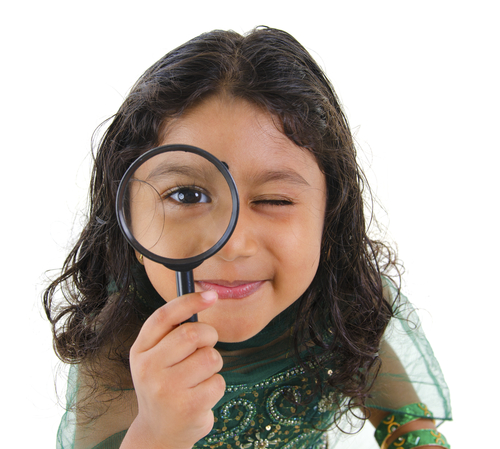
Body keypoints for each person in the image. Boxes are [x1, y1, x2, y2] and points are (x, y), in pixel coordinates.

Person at [43, 27, 452, 449]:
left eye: (275, 199)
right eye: (186, 195)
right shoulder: (118, 342)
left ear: (331, 219)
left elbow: (406, 423)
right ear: (126, 220)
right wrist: (157, 433)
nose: (234, 243)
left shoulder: (350, 303)